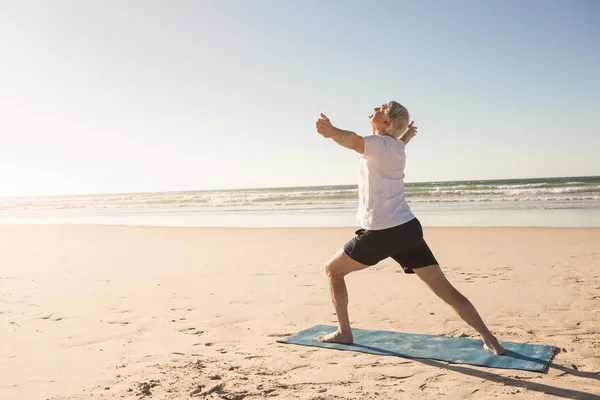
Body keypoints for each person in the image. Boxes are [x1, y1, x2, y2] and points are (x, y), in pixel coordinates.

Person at [314, 101, 505, 355]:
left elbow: (351, 140)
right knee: (445, 290)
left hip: (381, 233)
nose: (375, 107)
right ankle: (490, 339)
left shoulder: (378, 145)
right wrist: (407, 135)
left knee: (332, 271)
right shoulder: (396, 147)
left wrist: (332, 131)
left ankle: (344, 332)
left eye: (382, 107)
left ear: (386, 123)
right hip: (408, 229)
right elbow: (398, 141)